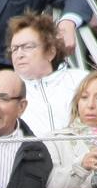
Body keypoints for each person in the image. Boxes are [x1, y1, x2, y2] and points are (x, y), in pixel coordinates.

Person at [7, 11, 86, 152]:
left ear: (50, 52)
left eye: (27, 47)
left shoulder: (82, 81)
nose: (19, 54)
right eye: (14, 49)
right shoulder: (5, 89)